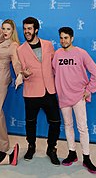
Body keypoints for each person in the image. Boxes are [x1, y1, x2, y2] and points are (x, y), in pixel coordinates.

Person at [52, 27, 96, 174]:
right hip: (63, 96)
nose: (63, 41)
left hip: (79, 96)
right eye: (61, 38)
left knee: (82, 128)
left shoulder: (81, 53)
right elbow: (54, 72)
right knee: (68, 125)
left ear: (72, 38)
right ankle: (72, 153)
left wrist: (89, 90)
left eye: (66, 38)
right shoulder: (57, 54)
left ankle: (86, 158)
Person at [17, 17, 61, 165]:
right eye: (24, 29)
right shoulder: (20, 49)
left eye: (29, 28)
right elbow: (22, 70)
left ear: (36, 29)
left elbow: (55, 65)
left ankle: (51, 148)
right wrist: (25, 74)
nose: (26, 31)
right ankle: (31, 146)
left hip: (49, 90)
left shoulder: (48, 45)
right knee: (30, 122)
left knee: (55, 122)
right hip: (31, 91)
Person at [0, 3, 23, 152]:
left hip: (1, 80)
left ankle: (1, 144)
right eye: (4, 28)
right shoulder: (1, 37)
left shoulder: (13, 45)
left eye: (8, 29)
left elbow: (16, 62)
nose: (5, 31)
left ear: (13, 30)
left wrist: (19, 74)